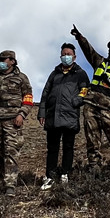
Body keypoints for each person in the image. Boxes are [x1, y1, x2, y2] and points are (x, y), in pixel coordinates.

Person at [70, 25, 110, 179]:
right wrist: (80, 37)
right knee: (92, 142)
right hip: (91, 105)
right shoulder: (100, 62)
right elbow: (89, 50)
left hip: (109, 108)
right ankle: (95, 170)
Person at [0, 50, 34, 196]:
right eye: (0, 60)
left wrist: (22, 114)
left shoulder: (21, 78)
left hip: (12, 120)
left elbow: (28, 98)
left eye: (4, 60)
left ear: (12, 61)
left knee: (11, 152)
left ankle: (10, 185)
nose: (1, 62)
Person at [37, 43, 90, 189]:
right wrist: (42, 112)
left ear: (74, 57)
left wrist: (76, 101)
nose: (66, 56)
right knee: (52, 148)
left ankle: (65, 174)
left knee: (68, 147)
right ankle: (50, 177)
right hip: (53, 116)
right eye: (64, 54)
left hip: (70, 116)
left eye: (69, 54)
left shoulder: (80, 73)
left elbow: (85, 90)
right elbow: (45, 93)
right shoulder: (54, 74)